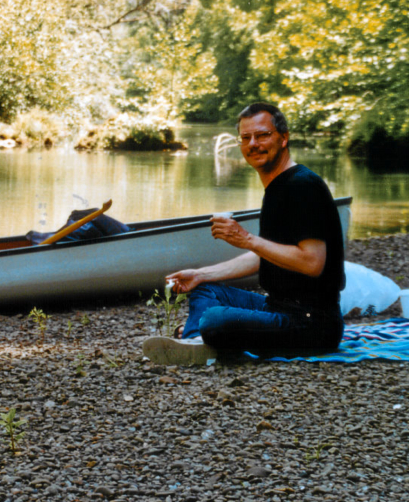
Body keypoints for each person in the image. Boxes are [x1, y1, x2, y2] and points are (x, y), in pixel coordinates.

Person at [142, 103, 345, 365]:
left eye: (262, 135)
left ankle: (200, 336)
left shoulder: (302, 186)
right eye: (246, 138)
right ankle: (194, 343)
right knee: (205, 291)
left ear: (283, 139)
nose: (253, 144)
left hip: (312, 324)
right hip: (277, 306)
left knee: (214, 320)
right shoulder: (278, 186)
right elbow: (268, 255)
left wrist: (246, 239)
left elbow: (312, 263)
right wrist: (201, 274)